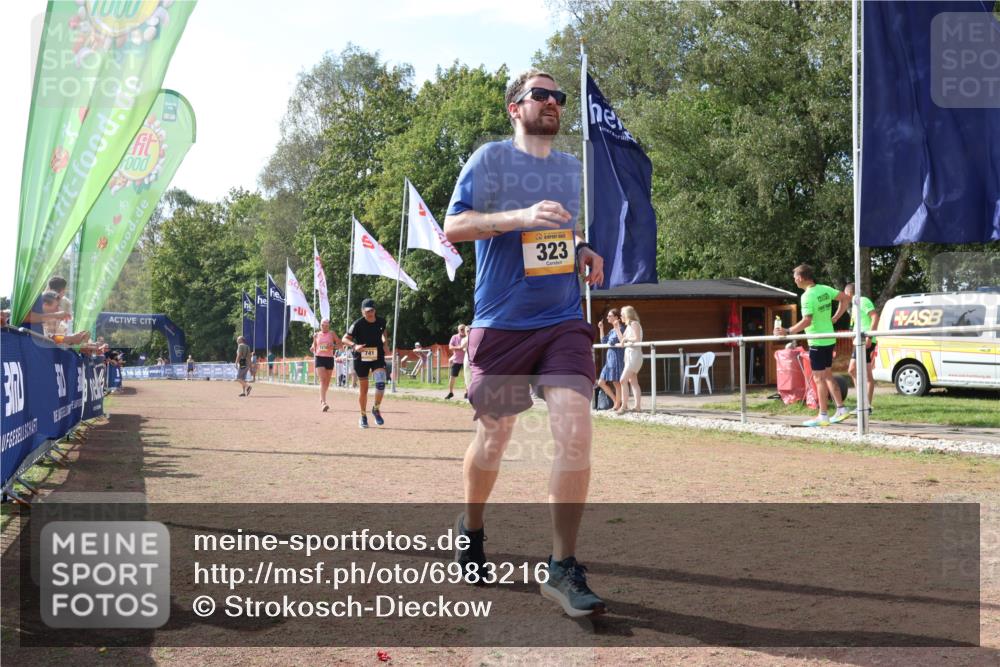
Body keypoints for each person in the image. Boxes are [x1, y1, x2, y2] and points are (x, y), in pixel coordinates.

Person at [443, 68, 607, 617]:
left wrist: (582, 247)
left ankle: (562, 566)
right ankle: (470, 528)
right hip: (502, 322)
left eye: (559, 97)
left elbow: (563, 229)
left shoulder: (569, 168)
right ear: (515, 107)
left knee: (574, 429)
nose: (554, 103)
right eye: (542, 94)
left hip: (561, 319)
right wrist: (519, 216)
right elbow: (454, 227)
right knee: (494, 440)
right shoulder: (490, 159)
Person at [775, 264, 850, 426]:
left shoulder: (807, 296)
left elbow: (807, 320)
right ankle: (841, 408)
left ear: (801, 278)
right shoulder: (824, 289)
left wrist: (788, 331)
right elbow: (845, 298)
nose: (794, 281)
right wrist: (835, 317)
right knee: (828, 376)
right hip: (829, 339)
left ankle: (823, 415)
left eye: (795, 278)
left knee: (818, 379)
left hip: (817, 341)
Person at [342, 298, 389, 429]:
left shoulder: (381, 321)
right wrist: (355, 345)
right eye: (367, 311)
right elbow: (344, 339)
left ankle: (376, 409)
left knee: (380, 384)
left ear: (375, 310)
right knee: (364, 390)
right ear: (362, 311)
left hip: (377, 355)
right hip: (361, 358)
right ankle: (363, 415)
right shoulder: (357, 324)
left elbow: (383, 332)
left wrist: (385, 343)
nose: (370, 313)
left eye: (372, 310)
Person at [840, 282, 880, 414]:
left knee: (856, 370)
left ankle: (865, 405)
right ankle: (863, 404)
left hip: (865, 340)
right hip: (859, 341)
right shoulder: (854, 306)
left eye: (844, 295)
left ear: (848, 293)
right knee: (854, 370)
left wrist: (869, 337)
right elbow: (854, 325)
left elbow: (875, 316)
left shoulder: (862, 301)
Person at [616, 306, 644, 413]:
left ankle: (623, 406)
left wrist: (626, 339)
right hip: (629, 355)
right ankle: (637, 407)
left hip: (634, 355)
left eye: (622, 314)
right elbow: (621, 341)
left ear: (627, 315)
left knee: (623, 380)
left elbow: (636, 339)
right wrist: (617, 328)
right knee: (633, 381)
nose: (620, 317)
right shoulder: (628, 326)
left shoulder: (634, 324)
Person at [597, 309, 625, 411]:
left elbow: (619, 341)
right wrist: (601, 328)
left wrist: (617, 328)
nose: (607, 318)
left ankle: (617, 405)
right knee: (601, 382)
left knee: (616, 382)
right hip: (609, 358)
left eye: (610, 316)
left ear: (616, 317)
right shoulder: (612, 330)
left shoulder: (621, 329)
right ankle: (616, 401)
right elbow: (603, 342)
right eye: (607, 316)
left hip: (616, 357)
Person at [311, 318, 341, 412]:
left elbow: (340, 344)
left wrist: (333, 346)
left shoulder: (332, 334)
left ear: (328, 326)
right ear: (320, 325)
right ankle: (324, 403)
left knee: (327, 382)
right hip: (319, 358)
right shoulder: (316, 335)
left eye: (326, 325)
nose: (324, 327)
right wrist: (312, 348)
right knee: (323, 380)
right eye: (322, 325)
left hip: (329, 358)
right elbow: (313, 347)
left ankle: (321, 397)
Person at [446, 324, 467, 399]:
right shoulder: (454, 337)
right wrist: (459, 347)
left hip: (466, 360)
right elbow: (450, 347)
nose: (462, 330)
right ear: (458, 330)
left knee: (467, 377)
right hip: (457, 360)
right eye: (461, 329)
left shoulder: (468, 337)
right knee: (452, 377)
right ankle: (450, 392)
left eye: (464, 329)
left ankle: (467, 392)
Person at [460, 324, 472, 400]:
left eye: (470, 330)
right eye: (467, 331)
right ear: (465, 332)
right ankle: (468, 392)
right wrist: (469, 338)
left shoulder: (476, 338)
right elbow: (462, 347)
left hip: (476, 358)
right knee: (467, 375)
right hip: (467, 358)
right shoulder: (464, 339)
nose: (469, 332)